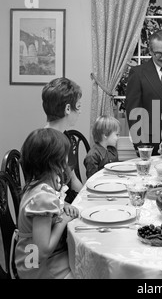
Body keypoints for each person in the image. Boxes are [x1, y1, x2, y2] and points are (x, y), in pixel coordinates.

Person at [15, 128, 79, 279]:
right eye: (65, 156)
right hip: (39, 267)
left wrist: (63, 205)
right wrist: (63, 220)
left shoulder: (37, 186)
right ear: (54, 162)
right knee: (87, 269)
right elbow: (43, 250)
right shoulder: (43, 198)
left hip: (32, 259)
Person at [125, 29, 162, 156]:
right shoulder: (138, 73)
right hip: (150, 144)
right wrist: (141, 147)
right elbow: (134, 112)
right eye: (158, 54)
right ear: (150, 51)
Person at [42, 77, 83, 203]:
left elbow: (73, 179)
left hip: (64, 202)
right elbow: (45, 195)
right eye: (78, 106)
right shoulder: (47, 145)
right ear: (68, 109)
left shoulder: (66, 138)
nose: (80, 111)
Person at [84, 115, 120, 179]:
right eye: (116, 135)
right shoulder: (93, 156)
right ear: (105, 135)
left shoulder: (113, 150)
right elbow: (92, 179)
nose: (118, 138)